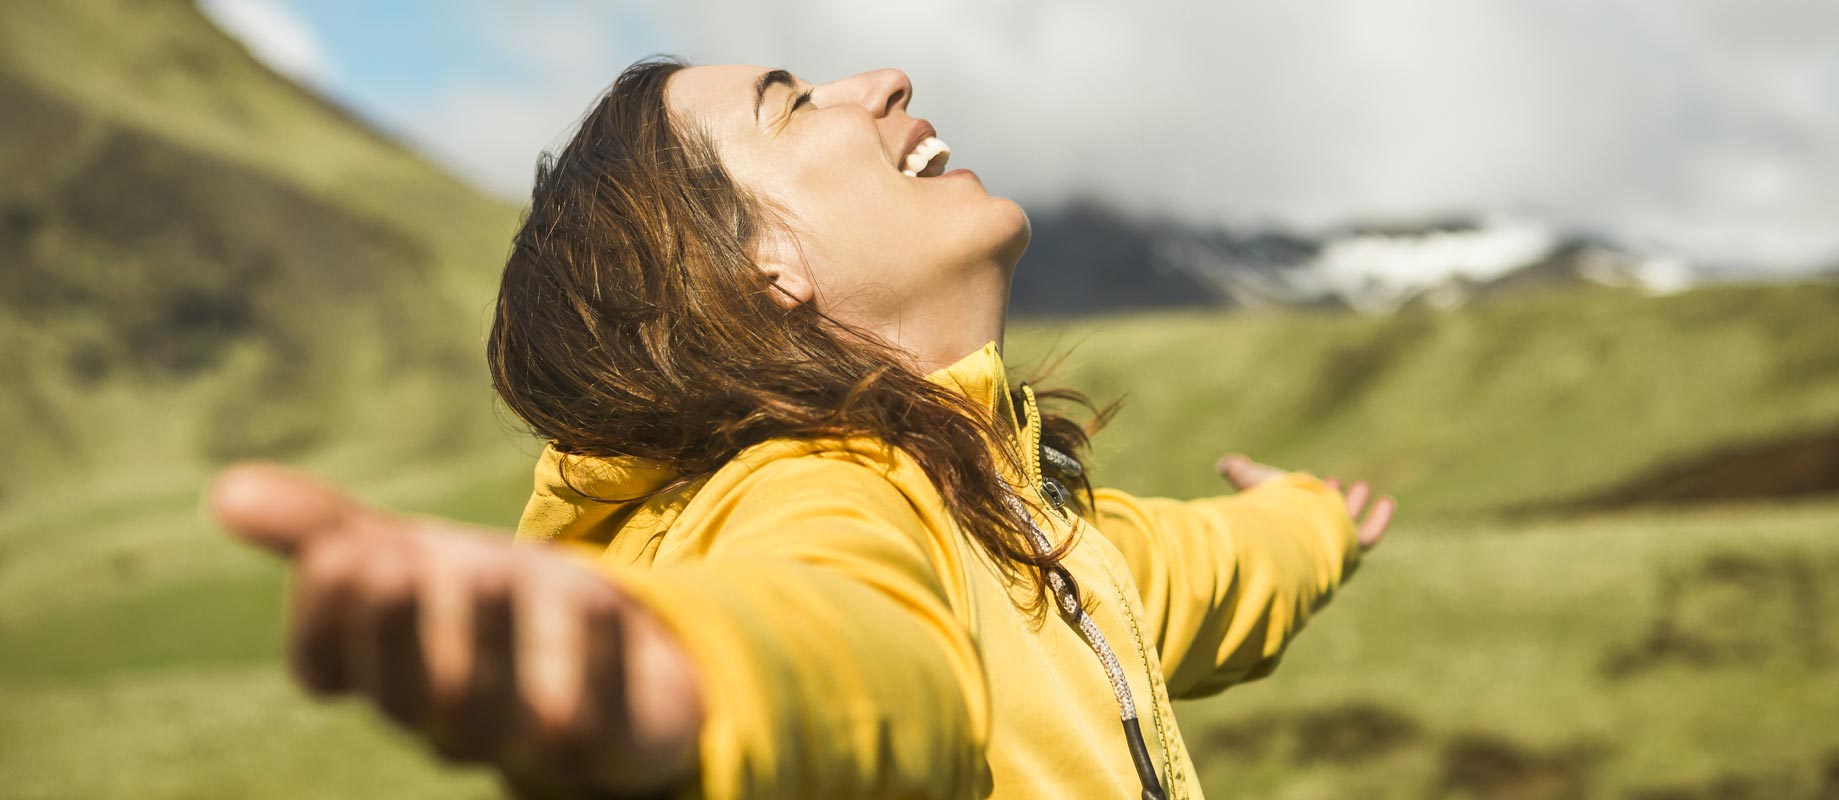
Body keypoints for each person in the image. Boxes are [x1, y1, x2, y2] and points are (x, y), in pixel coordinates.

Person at [209, 56, 1394, 799]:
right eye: (791, 105)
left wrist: (1309, 518)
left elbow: (1184, 571)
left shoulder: (1008, 516)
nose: (882, 81)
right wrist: (693, 686)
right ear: (757, 264)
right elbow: (836, 641)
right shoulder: (824, 487)